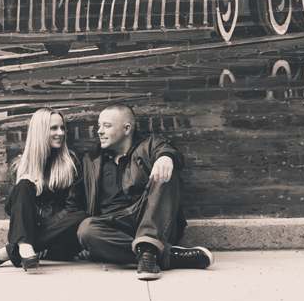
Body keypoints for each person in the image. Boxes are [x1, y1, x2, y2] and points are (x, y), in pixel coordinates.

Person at [76, 103, 213, 280]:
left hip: (152, 215)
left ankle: (148, 247)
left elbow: (168, 150)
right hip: (117, 226)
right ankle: (162, 256)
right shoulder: (93, 160)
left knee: (166, 173)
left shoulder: (149, 144)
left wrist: (166, 157)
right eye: (99, 126)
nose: (99, 131)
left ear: (126, 128)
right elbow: (76, 205)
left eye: (107, 126)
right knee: (86, 229)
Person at [0, 107, 87, 272]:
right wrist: (22, 183)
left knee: (82, 216)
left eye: (62, 128)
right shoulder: (19, 166)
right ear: (40, 131)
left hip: (58, 241)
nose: (61, 133)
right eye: (54, 128)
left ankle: (16, 250)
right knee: (24, 184)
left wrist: (38, 239)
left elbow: (73, 207)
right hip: (29, 234)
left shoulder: (71, 162)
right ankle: (25, 246)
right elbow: (11, 210)